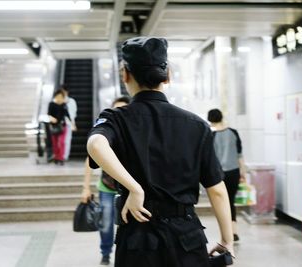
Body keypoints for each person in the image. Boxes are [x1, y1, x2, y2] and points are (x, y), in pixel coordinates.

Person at [87, 37, 234, 267]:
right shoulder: (197, 125)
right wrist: (227, 240)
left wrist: (135, 189)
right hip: (188, 238)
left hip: (138, 238)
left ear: (125, 74)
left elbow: (96, 144)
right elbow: (216, 191)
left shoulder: (116, 118)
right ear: (168, 76)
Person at [81, 96, 131, 266]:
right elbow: (90, 159)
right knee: (107, 223)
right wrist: (85, 187)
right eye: (117, 109)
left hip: (129, 189)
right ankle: (106, 252)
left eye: (124, 109)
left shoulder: (135, 132)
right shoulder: (105, 132)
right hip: (107, 187)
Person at [207, 109, 246, 242]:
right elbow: (240, 155)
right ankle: (234, 232)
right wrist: (243, 172)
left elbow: (210, 158)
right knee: (231, 201)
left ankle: (226, 234)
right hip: (234, 172)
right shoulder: (233, 132)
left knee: (222, 203)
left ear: (210, 119)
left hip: (219, 174)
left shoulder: (211, 135)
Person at [48, 89, 75, 165]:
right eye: (58, 96)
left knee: (62, 142)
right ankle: (56, 157)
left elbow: (68, 115)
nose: (59, 98)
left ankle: (61, 157)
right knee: (55, 143)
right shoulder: (51, 104)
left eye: (61, 97)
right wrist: (52, 119)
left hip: (63, 126)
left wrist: (73, 125)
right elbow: (49, 114)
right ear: (55, 97)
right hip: (53, 126)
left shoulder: (64, 105)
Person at [61, 85, 78, 161]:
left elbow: (73, 114)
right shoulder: (58, 100)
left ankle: (65, 156)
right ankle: (60, 155)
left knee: (67, 140)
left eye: (64, 91)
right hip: (60, 123)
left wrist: (73, 124)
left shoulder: (72, 101)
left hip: (68, 123)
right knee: (60, 140)